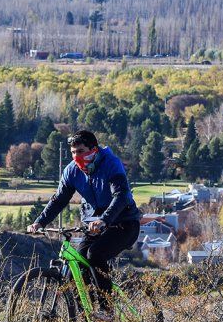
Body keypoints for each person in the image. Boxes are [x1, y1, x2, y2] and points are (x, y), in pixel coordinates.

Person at [27, 130, 141, 311]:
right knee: (79, 267)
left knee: (95, 254)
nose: (76, 156)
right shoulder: (72, 171)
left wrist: (104, 219)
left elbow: (121, 196)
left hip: (123, 223)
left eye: (80, 151)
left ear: (94, 149)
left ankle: (107, 310)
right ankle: (89, 321)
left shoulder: (111, 163)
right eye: (73, 152)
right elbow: (59, 199)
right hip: (94, 226)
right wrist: (40, 222)